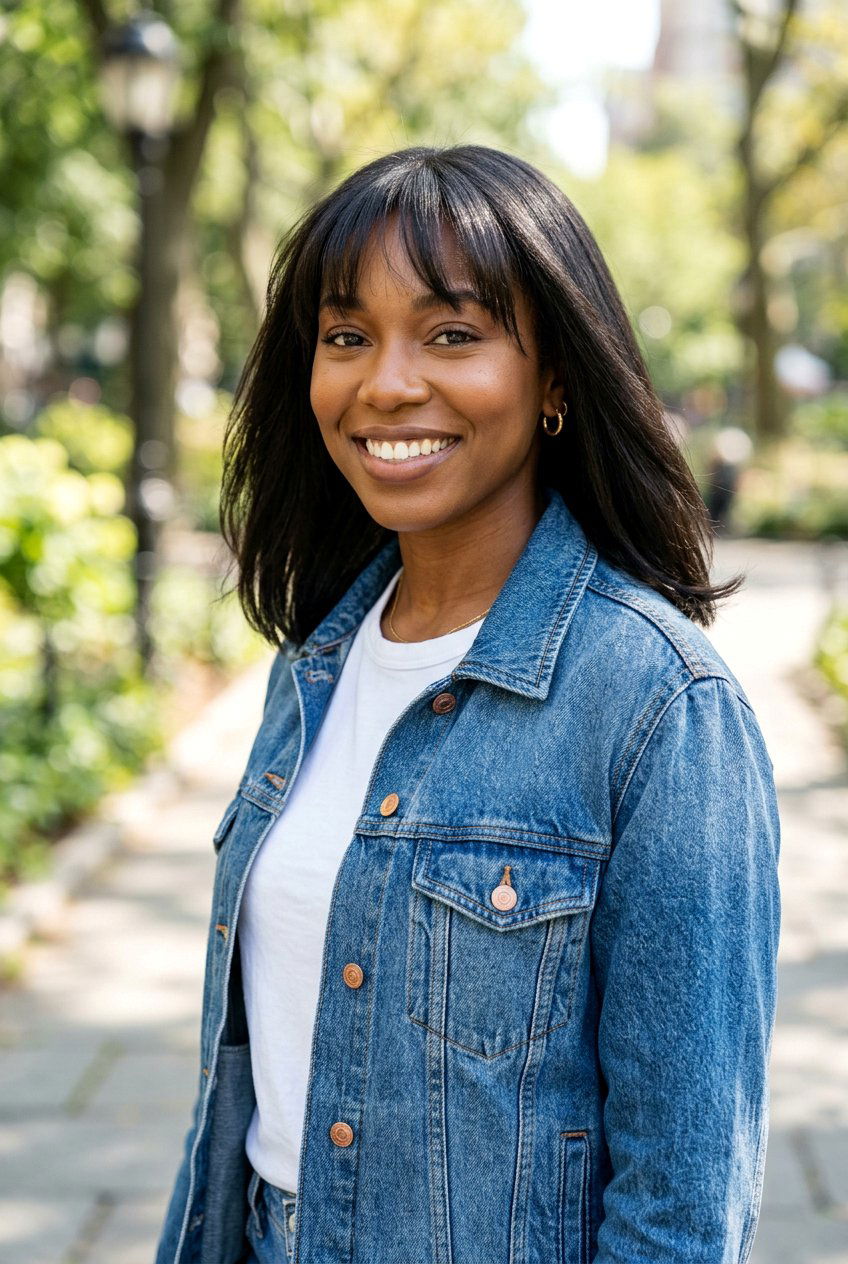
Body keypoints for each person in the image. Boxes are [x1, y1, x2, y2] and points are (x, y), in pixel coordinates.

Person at [155, 145, 781, 1264]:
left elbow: (681, 1205)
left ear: (553, 381)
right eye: (346, 336)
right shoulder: (313, 666)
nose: (385, 383)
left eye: (451, 334)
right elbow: (246, 1112)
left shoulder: (654, 704)